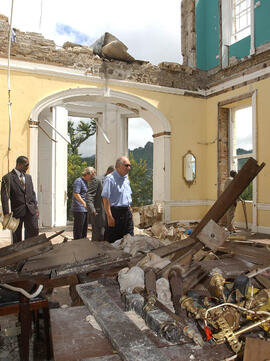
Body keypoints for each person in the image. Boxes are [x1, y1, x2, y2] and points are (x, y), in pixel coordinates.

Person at [1, 156, 39, 243]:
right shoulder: (8, 178)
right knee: (16, 236)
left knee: (33, 231)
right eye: (26, 165)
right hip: (17, 211)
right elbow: (4, 197)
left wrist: (36, 207)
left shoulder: (28, 177)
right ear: (19, 164)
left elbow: (32, 193)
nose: (27, 167)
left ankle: (30, 252)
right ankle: (18, 254)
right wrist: (6, 213)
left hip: (31, 210)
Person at [101, 156, 134, 243]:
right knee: (113, 241)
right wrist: (109, 216)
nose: (129, 168)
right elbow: (105, 198)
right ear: (119, 166)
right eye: (126, 165)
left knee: (129, 239)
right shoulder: (110, 178)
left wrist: (129, 209)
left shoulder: (126, 178)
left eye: (129, 166)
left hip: (127, 212)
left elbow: (127, 195)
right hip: (115, 213)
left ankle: (128, 257)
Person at [86, 165, 114, 241]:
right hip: (99, 215)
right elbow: (89, 196)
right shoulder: (97, 180)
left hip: (111, 216)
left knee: (108, 238)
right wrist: (92, 210)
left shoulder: (114, 182)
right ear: (109, 172)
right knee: (99, 238)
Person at [71, 167, 95, 239]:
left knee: (84, 230)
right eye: (91, 176)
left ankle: (83, 244)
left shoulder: (86, 182)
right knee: (79, 230)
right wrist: (84, 203)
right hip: (79, 209)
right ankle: (77, 244)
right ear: (87, 174)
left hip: (84, 209)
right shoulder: (79, 181)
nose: (91, 178)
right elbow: (76, 194)